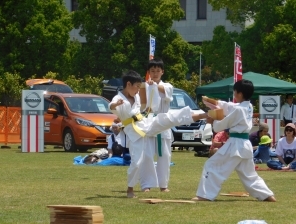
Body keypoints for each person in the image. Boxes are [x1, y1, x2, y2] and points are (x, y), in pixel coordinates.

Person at [109, 70, 207, 198]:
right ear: (128, 84)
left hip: (146, 123)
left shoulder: (136, 96)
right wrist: (115, 105)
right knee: (137, 162)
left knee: (167, 118)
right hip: (134, 133)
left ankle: (202, 115)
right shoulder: (118, 98)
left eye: (139, 87)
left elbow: (143, 101)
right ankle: (130, 189)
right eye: (137, 87)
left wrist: (149, 87)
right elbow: (111, 106)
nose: (138, 90)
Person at [192, 79, 276, 202]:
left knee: (212, 165)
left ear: (240, 93)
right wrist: (215, 102)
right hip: (245, 145)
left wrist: (213, 119)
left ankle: (205, 195)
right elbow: (230, 106)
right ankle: (267, 195)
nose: (234, 94)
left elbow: (221, 125)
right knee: (249, 175)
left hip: (236, 145)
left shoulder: (239, 110)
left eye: (235, 92)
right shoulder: (249, 107)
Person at [139, 58, 174, 192]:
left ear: (162, 72)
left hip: (163, 121)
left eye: (158, 71)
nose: (155, 73)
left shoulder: (167, 86)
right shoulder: (144, 86)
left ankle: (163, 185)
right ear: (148, 72)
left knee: (164, 156)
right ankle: (146, 184)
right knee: (147, 154)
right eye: (152, 71)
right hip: (149, 121)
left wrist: (153, 85)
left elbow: (165, 93)